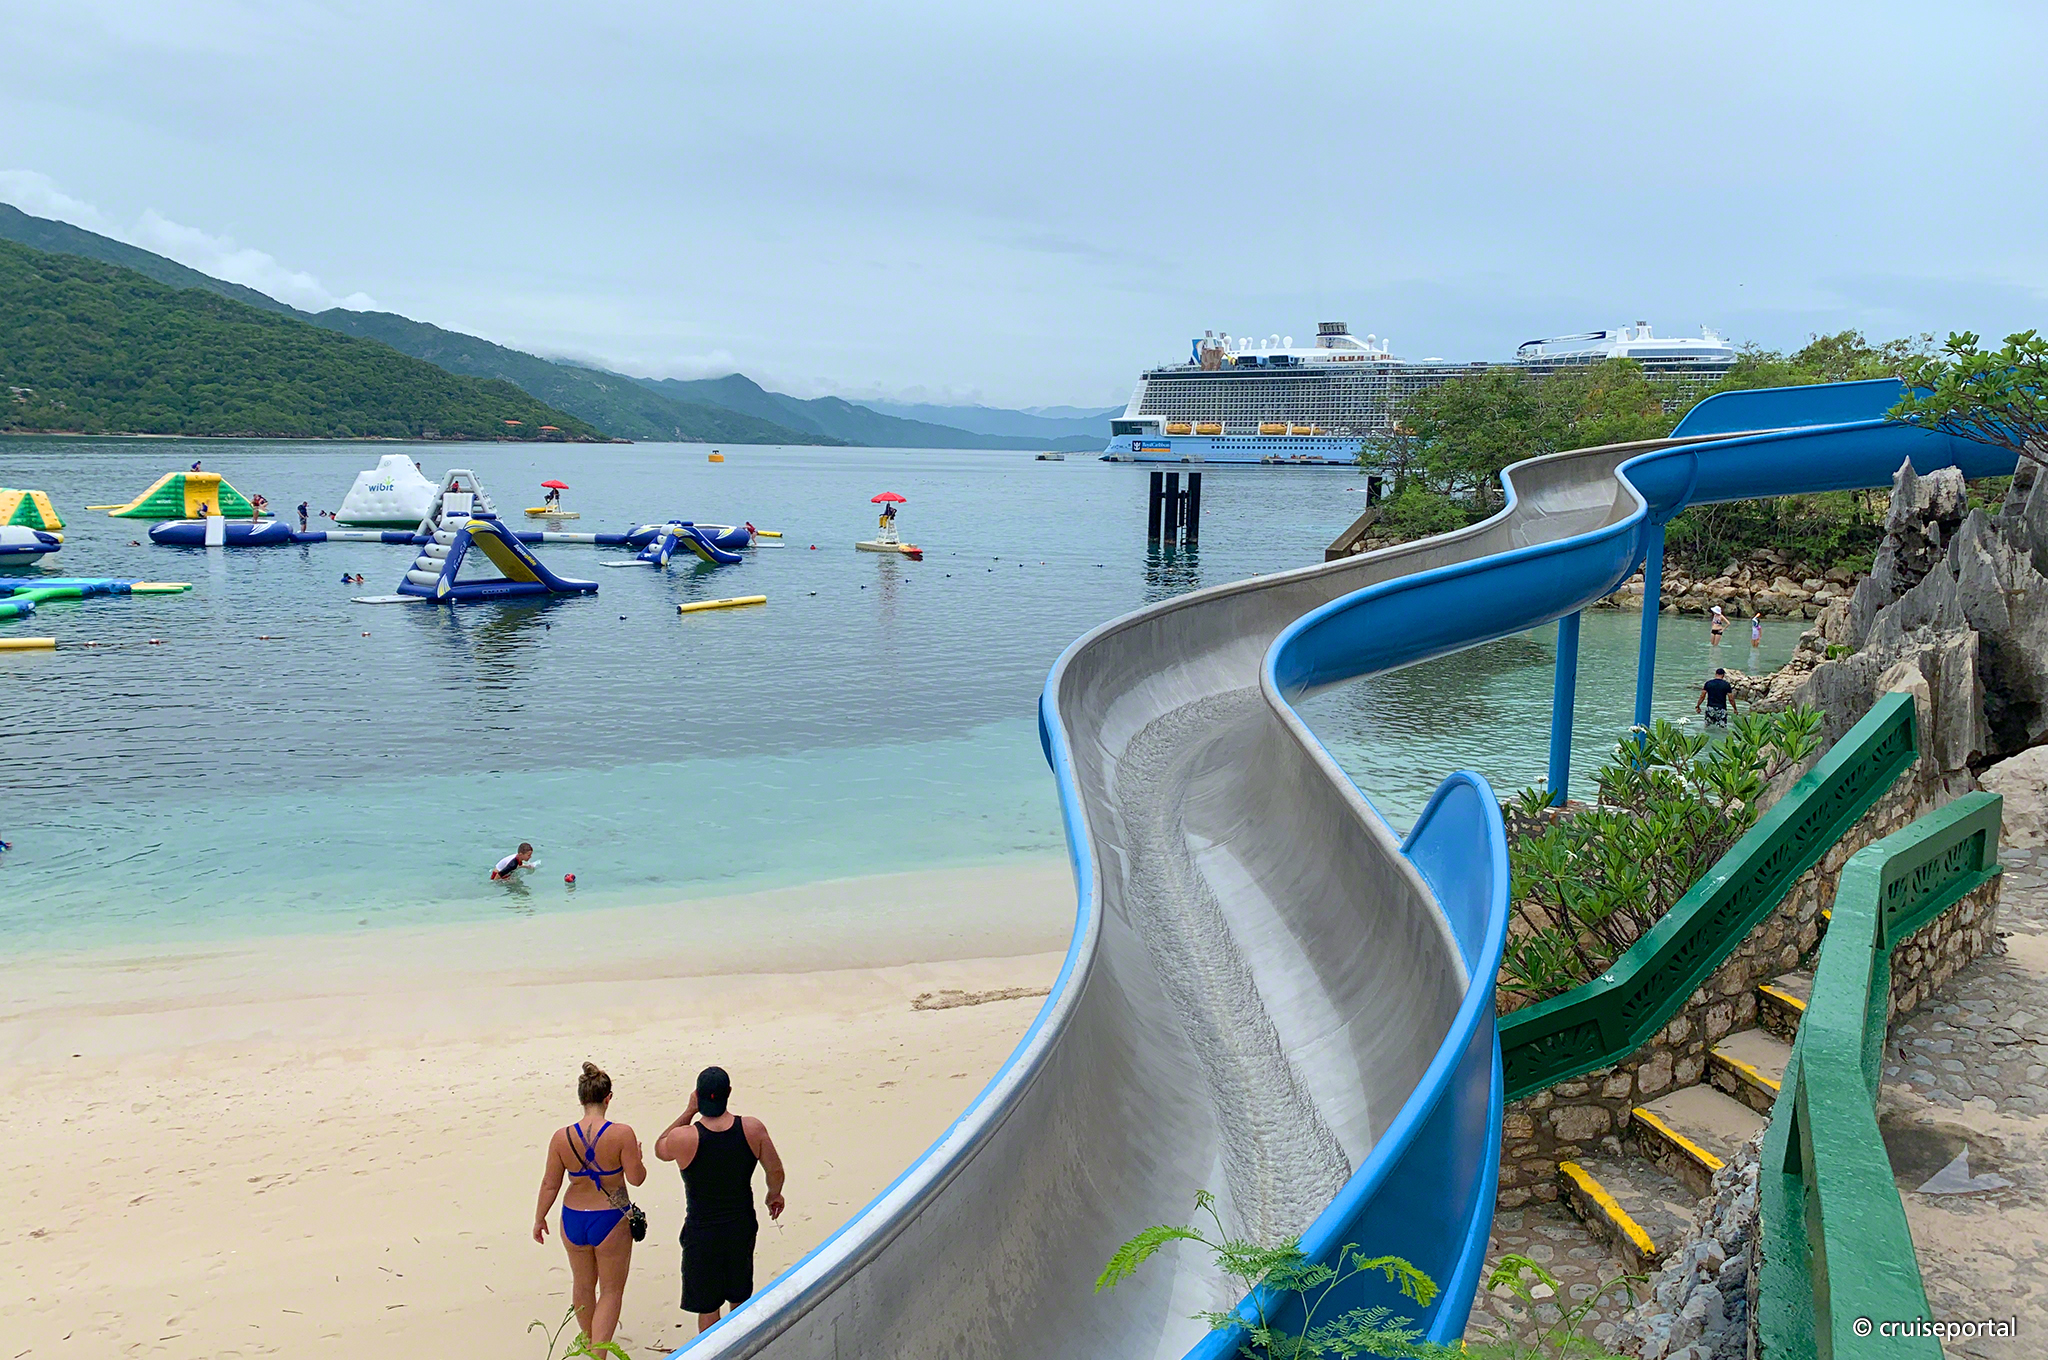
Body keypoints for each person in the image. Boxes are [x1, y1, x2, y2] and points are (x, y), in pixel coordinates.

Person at [656, 1066, 786, 1334]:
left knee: (708, 1307)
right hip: (740, 1225)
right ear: (729, 1092)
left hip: (702, 1232)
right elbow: (775, 1170)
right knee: (739, 1296)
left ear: (697, 1095)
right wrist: (774, 1194)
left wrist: (688, 1111)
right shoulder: (751, 1128)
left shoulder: (684, 1137)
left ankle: (713, 1350)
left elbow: (660, 1147)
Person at [533, 1062, 646, 1354]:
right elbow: (636, 1178)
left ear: (581, 1099)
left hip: (573, 1217)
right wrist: (638, 1158)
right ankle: (599, 1353)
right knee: (611, 1290)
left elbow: (550, 1183)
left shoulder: (561, 1137)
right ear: (609, 1098)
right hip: (610, 1216)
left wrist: (539, 1217)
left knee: (582, 1285)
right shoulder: (622, 1134)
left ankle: (589, 1343)